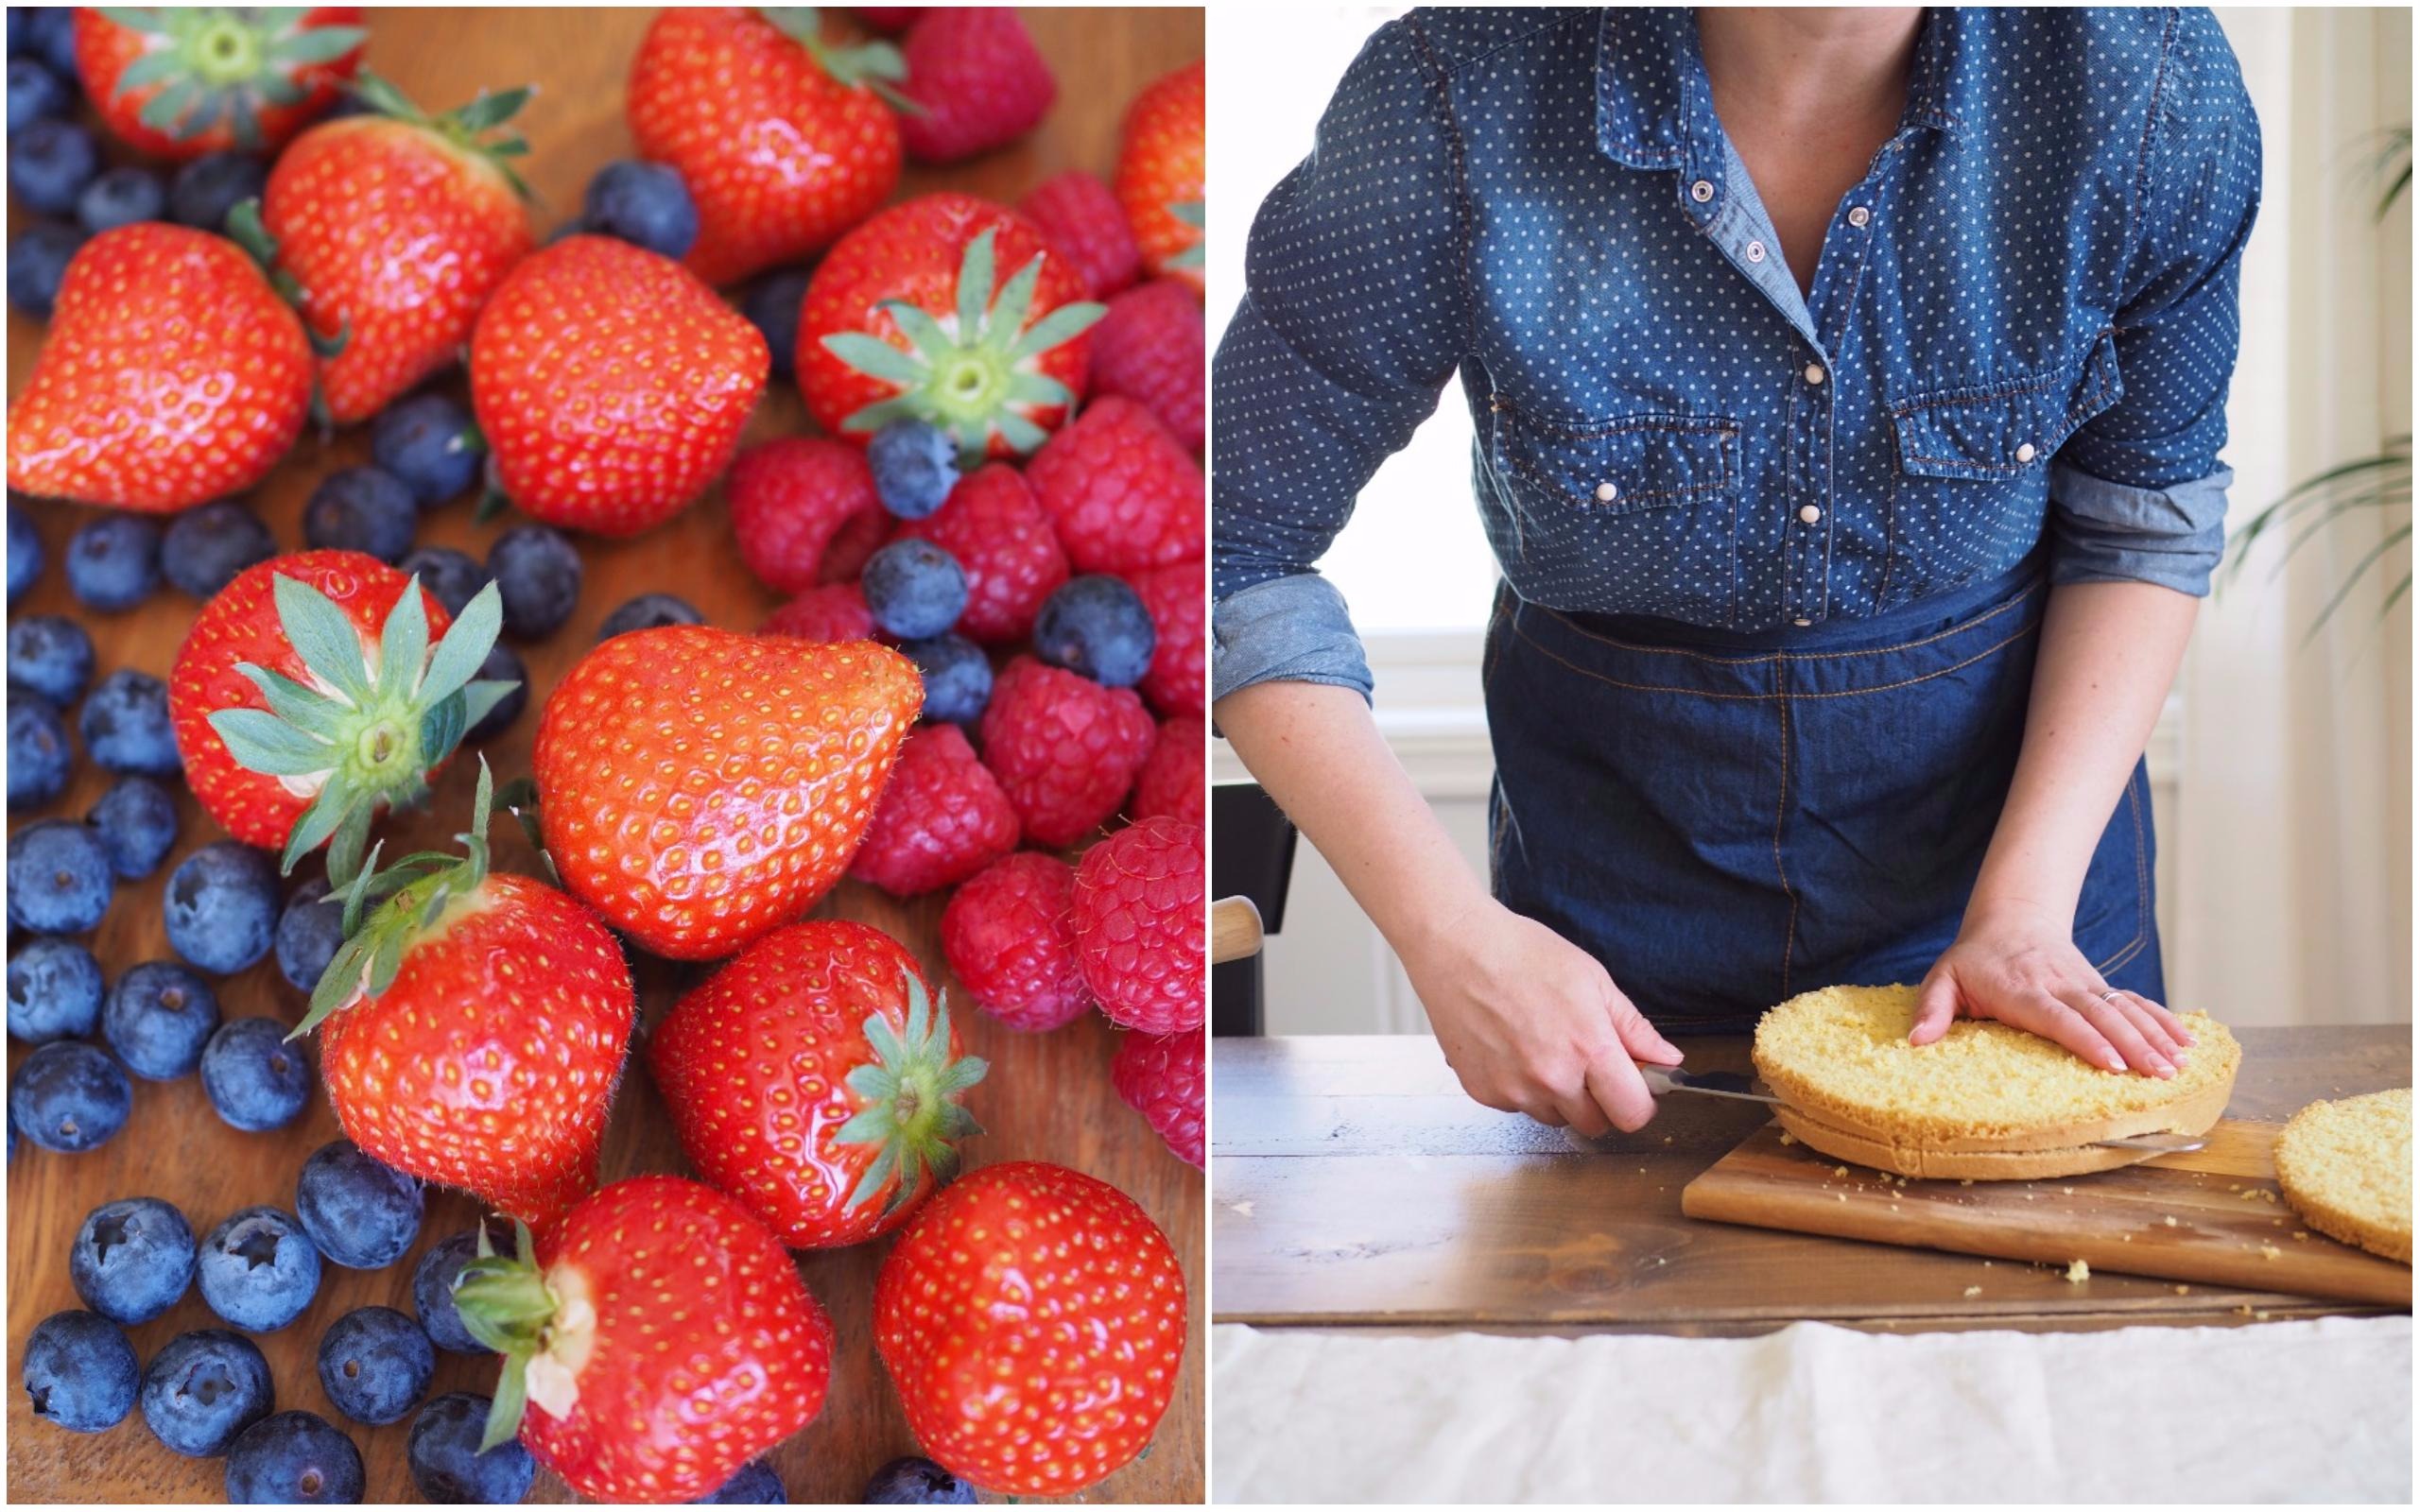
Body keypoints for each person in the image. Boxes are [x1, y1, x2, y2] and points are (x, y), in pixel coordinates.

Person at [1211, 7, 2258, 1137]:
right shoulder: (1453, 94)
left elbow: (2138, 516)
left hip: (2021, 885)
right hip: (1610, 933)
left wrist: (2024, 910)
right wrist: (1450, 935)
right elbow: (1227, 548)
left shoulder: (2147, 81)